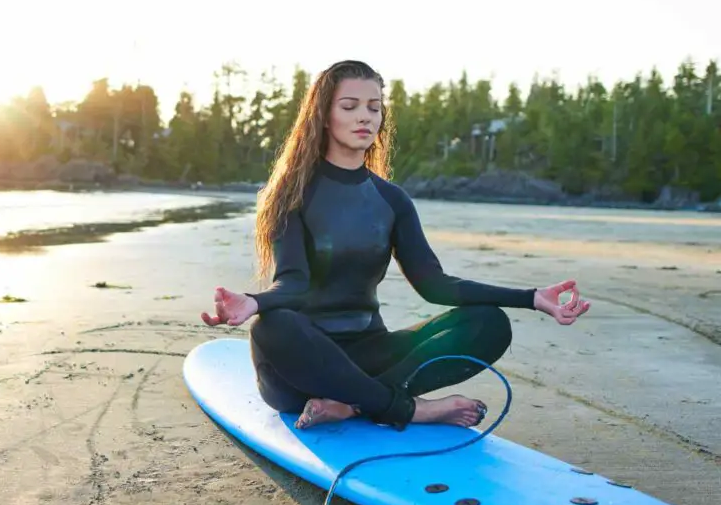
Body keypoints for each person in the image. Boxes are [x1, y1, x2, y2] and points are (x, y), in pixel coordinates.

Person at [200, 59, 590, 431]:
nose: (364, 116)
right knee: (273, 326)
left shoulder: (392, 201)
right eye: (350, 106)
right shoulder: (291, 194)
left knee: (487, 322)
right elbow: (294, 284)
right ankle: (408, 409)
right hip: (300, 367)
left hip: (370, 355)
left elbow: (436, 285)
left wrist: (533, 297)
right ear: (324, 116)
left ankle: (352, 404)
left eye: (374, 107)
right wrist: (255, 301)